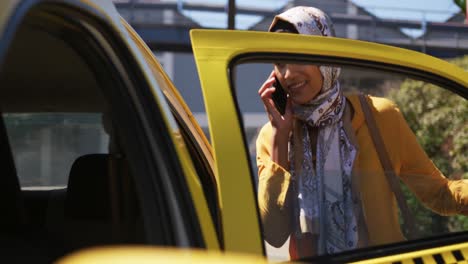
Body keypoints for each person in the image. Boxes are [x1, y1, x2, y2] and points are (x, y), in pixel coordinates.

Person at [256, 6, 468, 259]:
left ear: (325, 55)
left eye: (299, 57)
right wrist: (281, 139)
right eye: (280, 62)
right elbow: (273, 232)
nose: (288, 74)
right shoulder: (272, 136)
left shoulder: (379, 117)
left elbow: (440, 194)